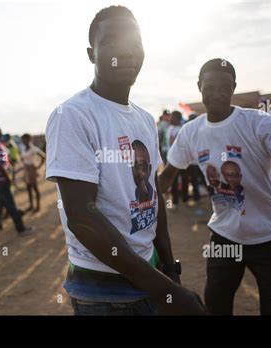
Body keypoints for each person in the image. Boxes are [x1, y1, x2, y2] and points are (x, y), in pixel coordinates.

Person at [45, 5, 205, 316]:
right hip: (104, 292)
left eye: (135, 42)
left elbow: (155, 202)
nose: (126, 51)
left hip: (150, 274)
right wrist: (168, 291)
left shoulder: (144, 120)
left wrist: (169, 269)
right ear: (92, 54)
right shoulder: (73, 115)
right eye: (112, 42)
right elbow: (81, 217)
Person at [159, 58, 271, 315]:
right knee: (216, 304)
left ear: (234, 87)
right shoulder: (191, 132)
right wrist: (139, 198)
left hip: (269, 237)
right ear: (199, 86)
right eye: (210, 87)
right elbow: (166, 177)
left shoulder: (258, 122)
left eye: (225, 87)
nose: (217, 94)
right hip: (225, 237)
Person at [0, 123, 33, 242]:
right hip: (1, 181)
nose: (1, 131)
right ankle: (21, 229)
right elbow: (2, 165)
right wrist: (7, 178)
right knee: (11, 205)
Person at [166, 111, 188, 205]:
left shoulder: (183, 129)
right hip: (171, 160)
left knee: (184, 179)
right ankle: (175, 201)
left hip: (182, 159)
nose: (169, 119)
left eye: (171, 117)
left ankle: (185, 199)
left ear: (176, 118)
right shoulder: (170, 129)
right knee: (173, 180)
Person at [21, 133, 45, 212]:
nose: (24, 141)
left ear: (29, 139)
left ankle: (38, 206)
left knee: (34, 188)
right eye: (23, 140)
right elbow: (23, 158)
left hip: (31, 169)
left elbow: (43, 156)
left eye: (25, 139)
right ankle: (31, 205)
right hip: (26, 169)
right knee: (28, 188)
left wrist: (38, 167)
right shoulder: (24, 148)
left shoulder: (34, 149)